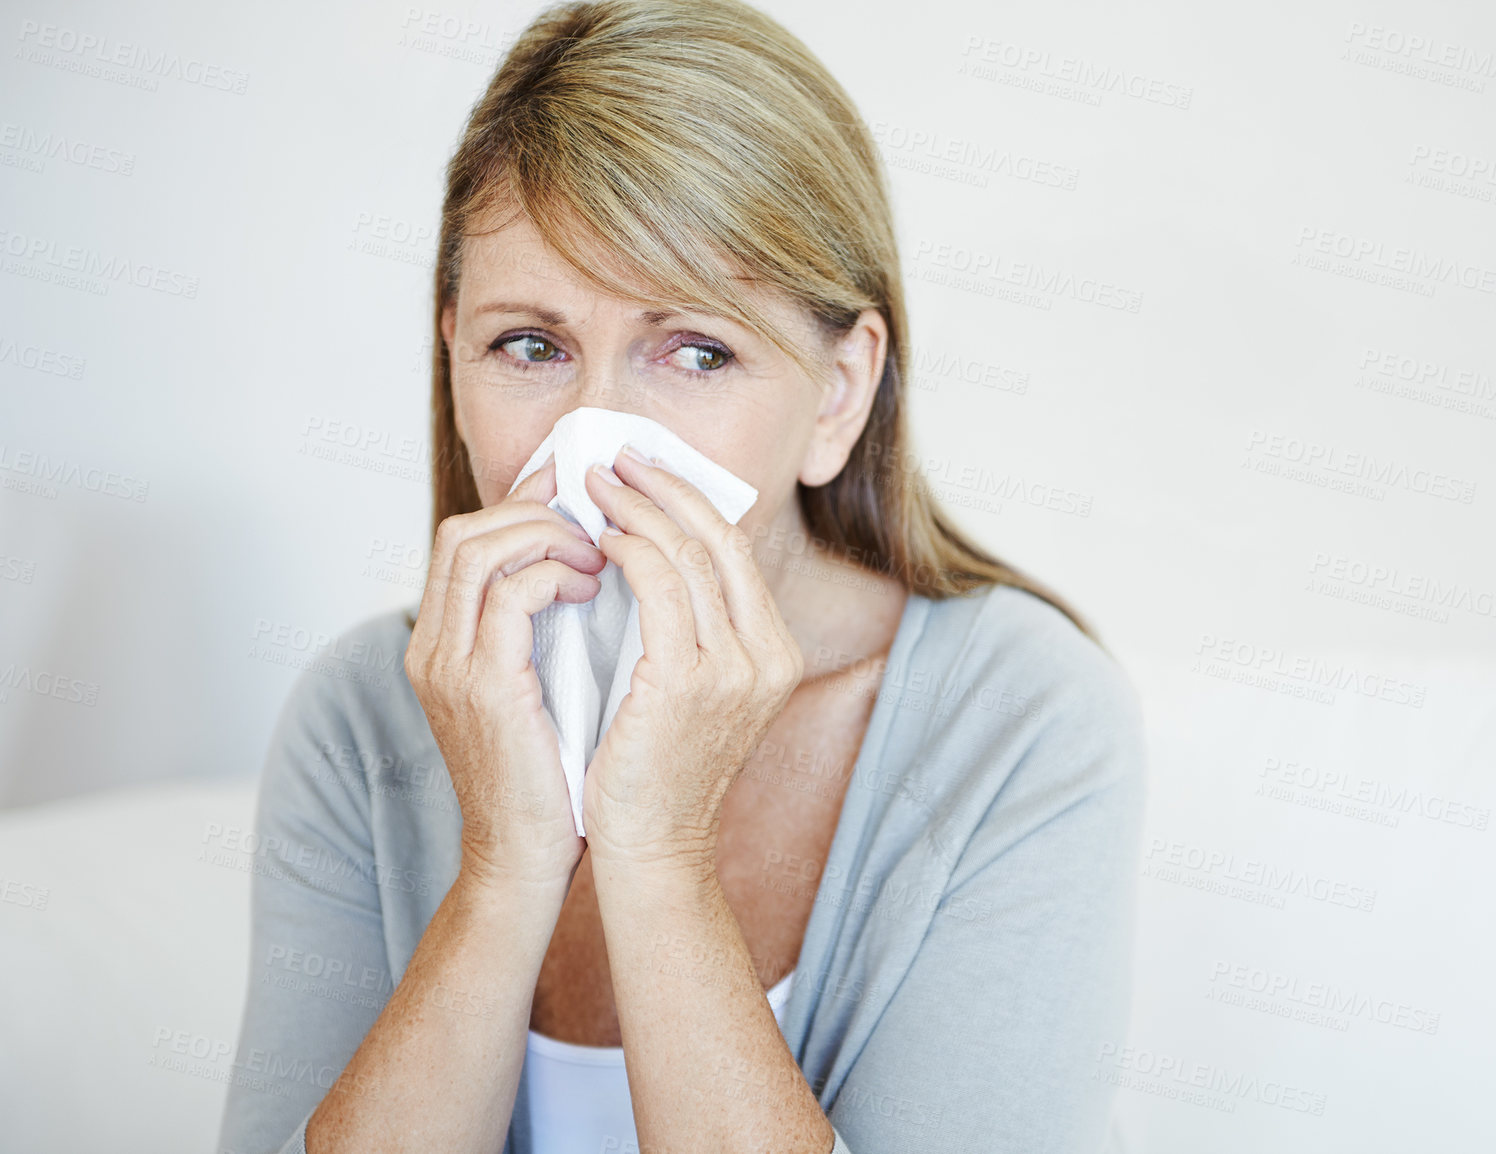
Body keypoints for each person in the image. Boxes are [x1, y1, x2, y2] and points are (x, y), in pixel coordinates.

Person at [216, 1, 1146, 1150]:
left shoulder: (1018, 722)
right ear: (452, 355)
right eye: (531, 345)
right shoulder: (360, 714)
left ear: (839, 393)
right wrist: (504, 868)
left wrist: (655, 855)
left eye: (698, 350)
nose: (595, 430)